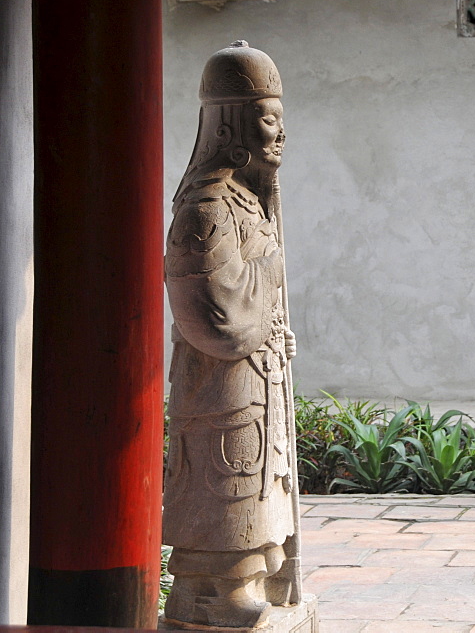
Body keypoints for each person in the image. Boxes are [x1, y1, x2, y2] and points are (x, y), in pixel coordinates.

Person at [162, 41, 299, 628]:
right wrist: (266, 299)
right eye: (269, 120)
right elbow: (214, 313)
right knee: (225, 482)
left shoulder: (250, 200)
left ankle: (246, 578)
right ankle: (211, 591)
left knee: (260, 479)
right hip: (221, 381)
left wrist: (276, 334)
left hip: (257, 377)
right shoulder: (208, 207)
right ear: (234, 124)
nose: (279, 136)